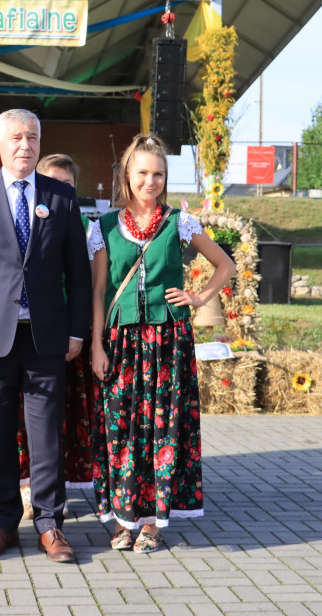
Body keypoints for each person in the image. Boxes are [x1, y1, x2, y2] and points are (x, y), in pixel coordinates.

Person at [0, 109, 91, 562]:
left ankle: (50, 524)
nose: (25, 145)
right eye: (15, 137)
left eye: (32, 137)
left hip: (47, 338)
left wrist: (77, 332)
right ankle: (6, 522)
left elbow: (78, 273)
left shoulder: (62, 196)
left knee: (46, 436)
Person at [90, 134, 235, 553]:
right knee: (121, 429)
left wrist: (199, 296)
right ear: (127, 175)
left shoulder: (179, 222)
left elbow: (225, 265)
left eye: (158, 174)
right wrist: (98, 346)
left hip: (168, 341)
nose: (150, 181)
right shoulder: (101, 227)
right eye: (142, 173)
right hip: (120, 343)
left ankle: (151, 522)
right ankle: (122, 517)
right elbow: (99, 291)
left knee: (162, 428)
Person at [13, 153, 99, 520]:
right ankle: (25, 484)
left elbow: (85, 282)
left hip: (64, 332)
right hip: (21, 332)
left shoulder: (80, 221)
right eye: (52, 181)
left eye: (67, 184)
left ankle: (57, 487)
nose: (59, 189)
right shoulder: (20, 214)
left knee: (61, 417)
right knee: (22, 416)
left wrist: (78, 332)